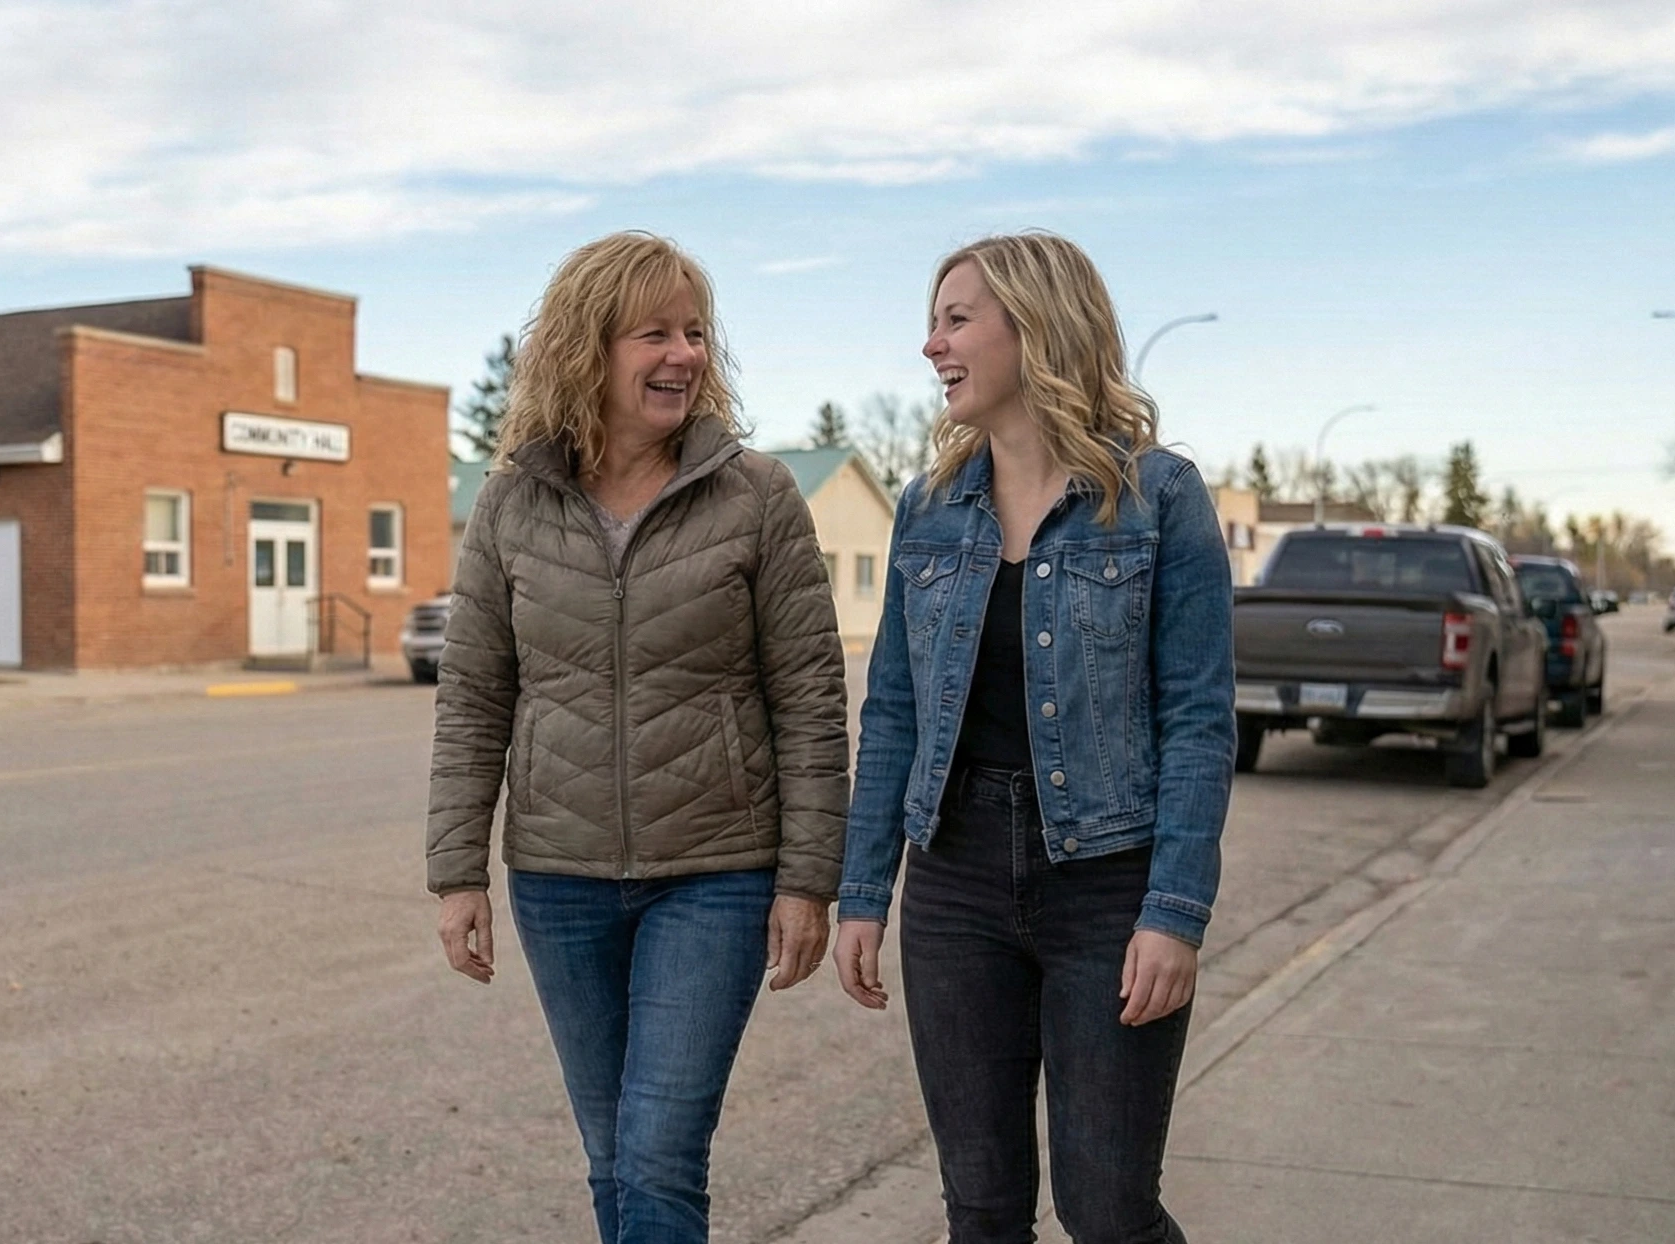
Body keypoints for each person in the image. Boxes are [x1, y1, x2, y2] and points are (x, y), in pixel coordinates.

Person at [427, 231, 848, 1244]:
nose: (684, 354)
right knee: (612, 1151)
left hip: (715, 873)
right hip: (559, 876)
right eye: (653, 332)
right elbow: (475, 691)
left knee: (659, 1150)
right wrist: (456, 872)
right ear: (586, 349)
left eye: (696, 332)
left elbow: (809, 692)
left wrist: (807, 877)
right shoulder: (510, 502)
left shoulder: (755, 494)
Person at [832, 232, 1236, 1244]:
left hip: (1105, 883)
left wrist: (1174, 912)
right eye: (933, 321)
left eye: (955, 318)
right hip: (955, 879)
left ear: (1037, 327)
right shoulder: (929, 508)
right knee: (980, 1207)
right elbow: (891, 711)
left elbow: (1197, 720)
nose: (931, 345)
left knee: (1104, 1210)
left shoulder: (1157, 498)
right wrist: (861, 891)